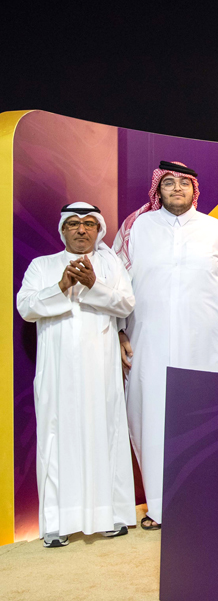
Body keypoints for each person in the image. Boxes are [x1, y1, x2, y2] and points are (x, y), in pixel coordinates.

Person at [113, 161, 218, 530]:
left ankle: (201, 502)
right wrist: (119, 332)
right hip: (147, 340)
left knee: (202, 417)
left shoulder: (215, 230)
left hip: (204, 341)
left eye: (183, 184)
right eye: (168, 183)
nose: (176, 189)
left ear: (194, 190)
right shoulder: (136, 228)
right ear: (157, 190)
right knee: (149, 417)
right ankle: (159, 508)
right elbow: (116, 284)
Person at [16, 203, 136, 547]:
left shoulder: (110, 266)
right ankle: (57, 523)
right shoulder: (43, 266)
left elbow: (126, 304)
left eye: (88, 224)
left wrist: (94, 286)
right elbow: (26, 307)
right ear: (62, 230)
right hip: (57, 371)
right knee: (57, 437)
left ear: (99, 230)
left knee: (106, 432)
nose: (81, 230)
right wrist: (62, 284)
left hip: (101, 368)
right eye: (73, 224)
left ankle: (110, 515)